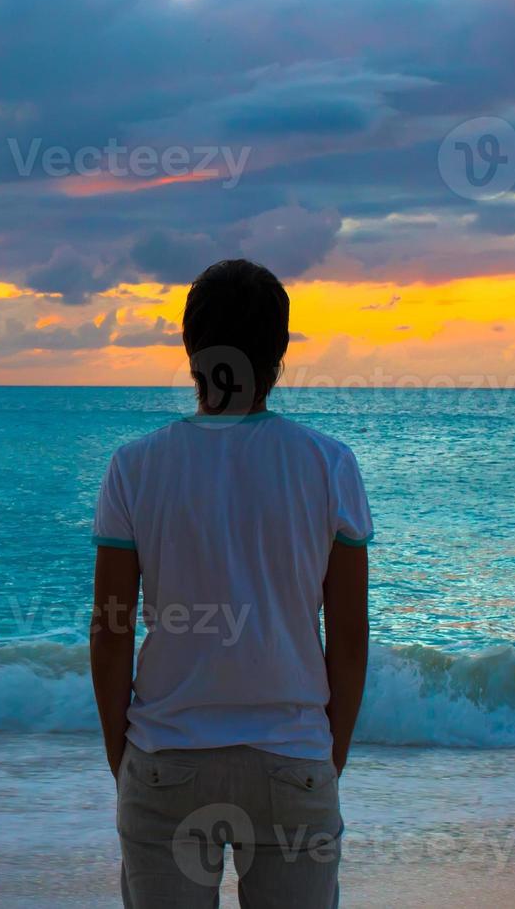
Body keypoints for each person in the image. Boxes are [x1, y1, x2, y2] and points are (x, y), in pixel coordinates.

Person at [89, 259, 372, 908]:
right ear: (279, 353)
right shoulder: (329, 465)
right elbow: (350, 638)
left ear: (191, 350)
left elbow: (110, 634)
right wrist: (327, 758)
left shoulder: (135, 467)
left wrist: (124, 761)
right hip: (291, 761)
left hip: (167, 757)